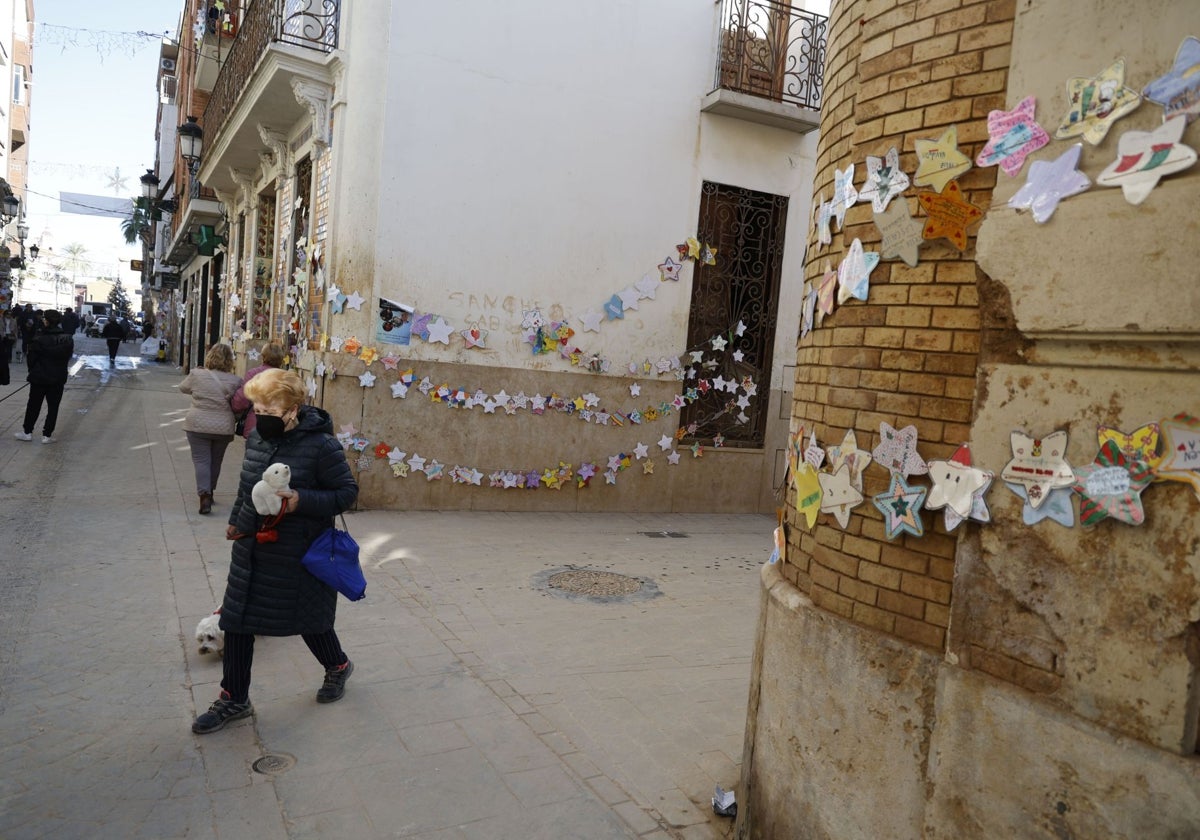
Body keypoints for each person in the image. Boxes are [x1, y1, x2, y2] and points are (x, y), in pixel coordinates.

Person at [192, 368, 358, 734]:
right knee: (236, 620)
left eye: (269, 411)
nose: (260, 418)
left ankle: (338, 666)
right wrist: (237, 520)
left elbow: (346, 493)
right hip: (252, 548)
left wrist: (301, 500)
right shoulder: (256, 439)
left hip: (297, 552)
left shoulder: (322, 446)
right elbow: (247, 485)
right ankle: (234, 698)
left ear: (293, 409)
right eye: (257, 409)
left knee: (309, 620)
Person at [178, 343, 242, 515]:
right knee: (216, 461)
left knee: (201, 461)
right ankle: (210, 491)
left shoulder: (197, 374)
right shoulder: (236, 381)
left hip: (197, 424)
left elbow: (183, 388)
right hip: (223, 427)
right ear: (230, 361)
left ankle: (204, 495)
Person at [14, 309, 74, 444]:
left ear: (46, 321)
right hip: (57, 377)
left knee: (33, 405)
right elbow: (67, 357)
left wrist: (33, 370)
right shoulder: (67, 339)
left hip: (39, 377)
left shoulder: (38, 338)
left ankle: (27, 432)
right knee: (53, 407)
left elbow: (31, 359)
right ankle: (47, 435)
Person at [229, 342, 286, 439]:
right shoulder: (286, 377)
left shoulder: (253, 374)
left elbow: (241, 400)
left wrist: (233, 409)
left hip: (256, 424)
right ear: (281, 359)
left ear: (263, 357)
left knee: (255, 452)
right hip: (281, 425)